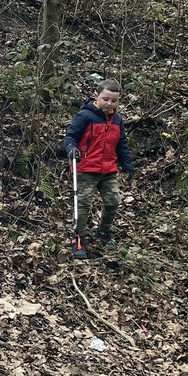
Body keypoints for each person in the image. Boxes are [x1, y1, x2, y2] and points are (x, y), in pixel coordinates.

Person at [64, 79, 134, 253]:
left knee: (113, 201)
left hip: (108, 169)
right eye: (105, 99)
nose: (109, 103)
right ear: (96, 96)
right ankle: (79, 239)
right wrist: (71, 149)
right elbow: (70, 137)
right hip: (86, 167)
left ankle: (103, 231)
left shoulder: (117, 120)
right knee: (83, 204)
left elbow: (122, 144)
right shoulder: (85, 116)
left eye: (114, 100)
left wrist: (128, 164)